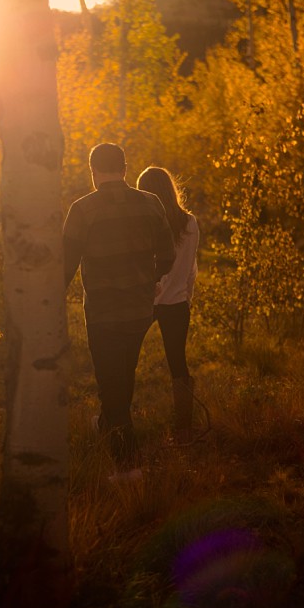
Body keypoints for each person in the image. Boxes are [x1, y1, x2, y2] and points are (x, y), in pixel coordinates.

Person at [63, 143, 176, 482]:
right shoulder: (151, 203)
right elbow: (168, 256)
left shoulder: (82, 210)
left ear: (93, 171)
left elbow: (65, 266)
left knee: (111, 386)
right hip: (140, 312)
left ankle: (128, 466)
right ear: (125, 169)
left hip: (103, 313)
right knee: (122, 378)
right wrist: (149, 280)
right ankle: (108, 430)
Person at [136, 166, 199, 445]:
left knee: (125, 360)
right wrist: (187, 296)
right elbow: (191, 268)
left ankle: (115, 421)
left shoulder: (142, 222)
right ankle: (184, 430)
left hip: (145, 303)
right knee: (178, 364)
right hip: (176, 303)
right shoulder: (190, 223)